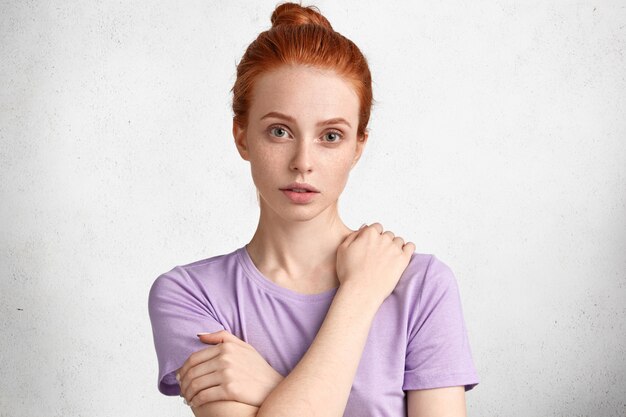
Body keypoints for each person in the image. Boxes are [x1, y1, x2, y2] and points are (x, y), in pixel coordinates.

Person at [148, 3, 479, 416]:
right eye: (280, 131)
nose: (303, 161)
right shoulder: (191, 296)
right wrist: (359, 295)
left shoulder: (420, 286)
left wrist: (270, 387)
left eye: (331, 136)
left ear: (358, 146)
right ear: (242, 136)